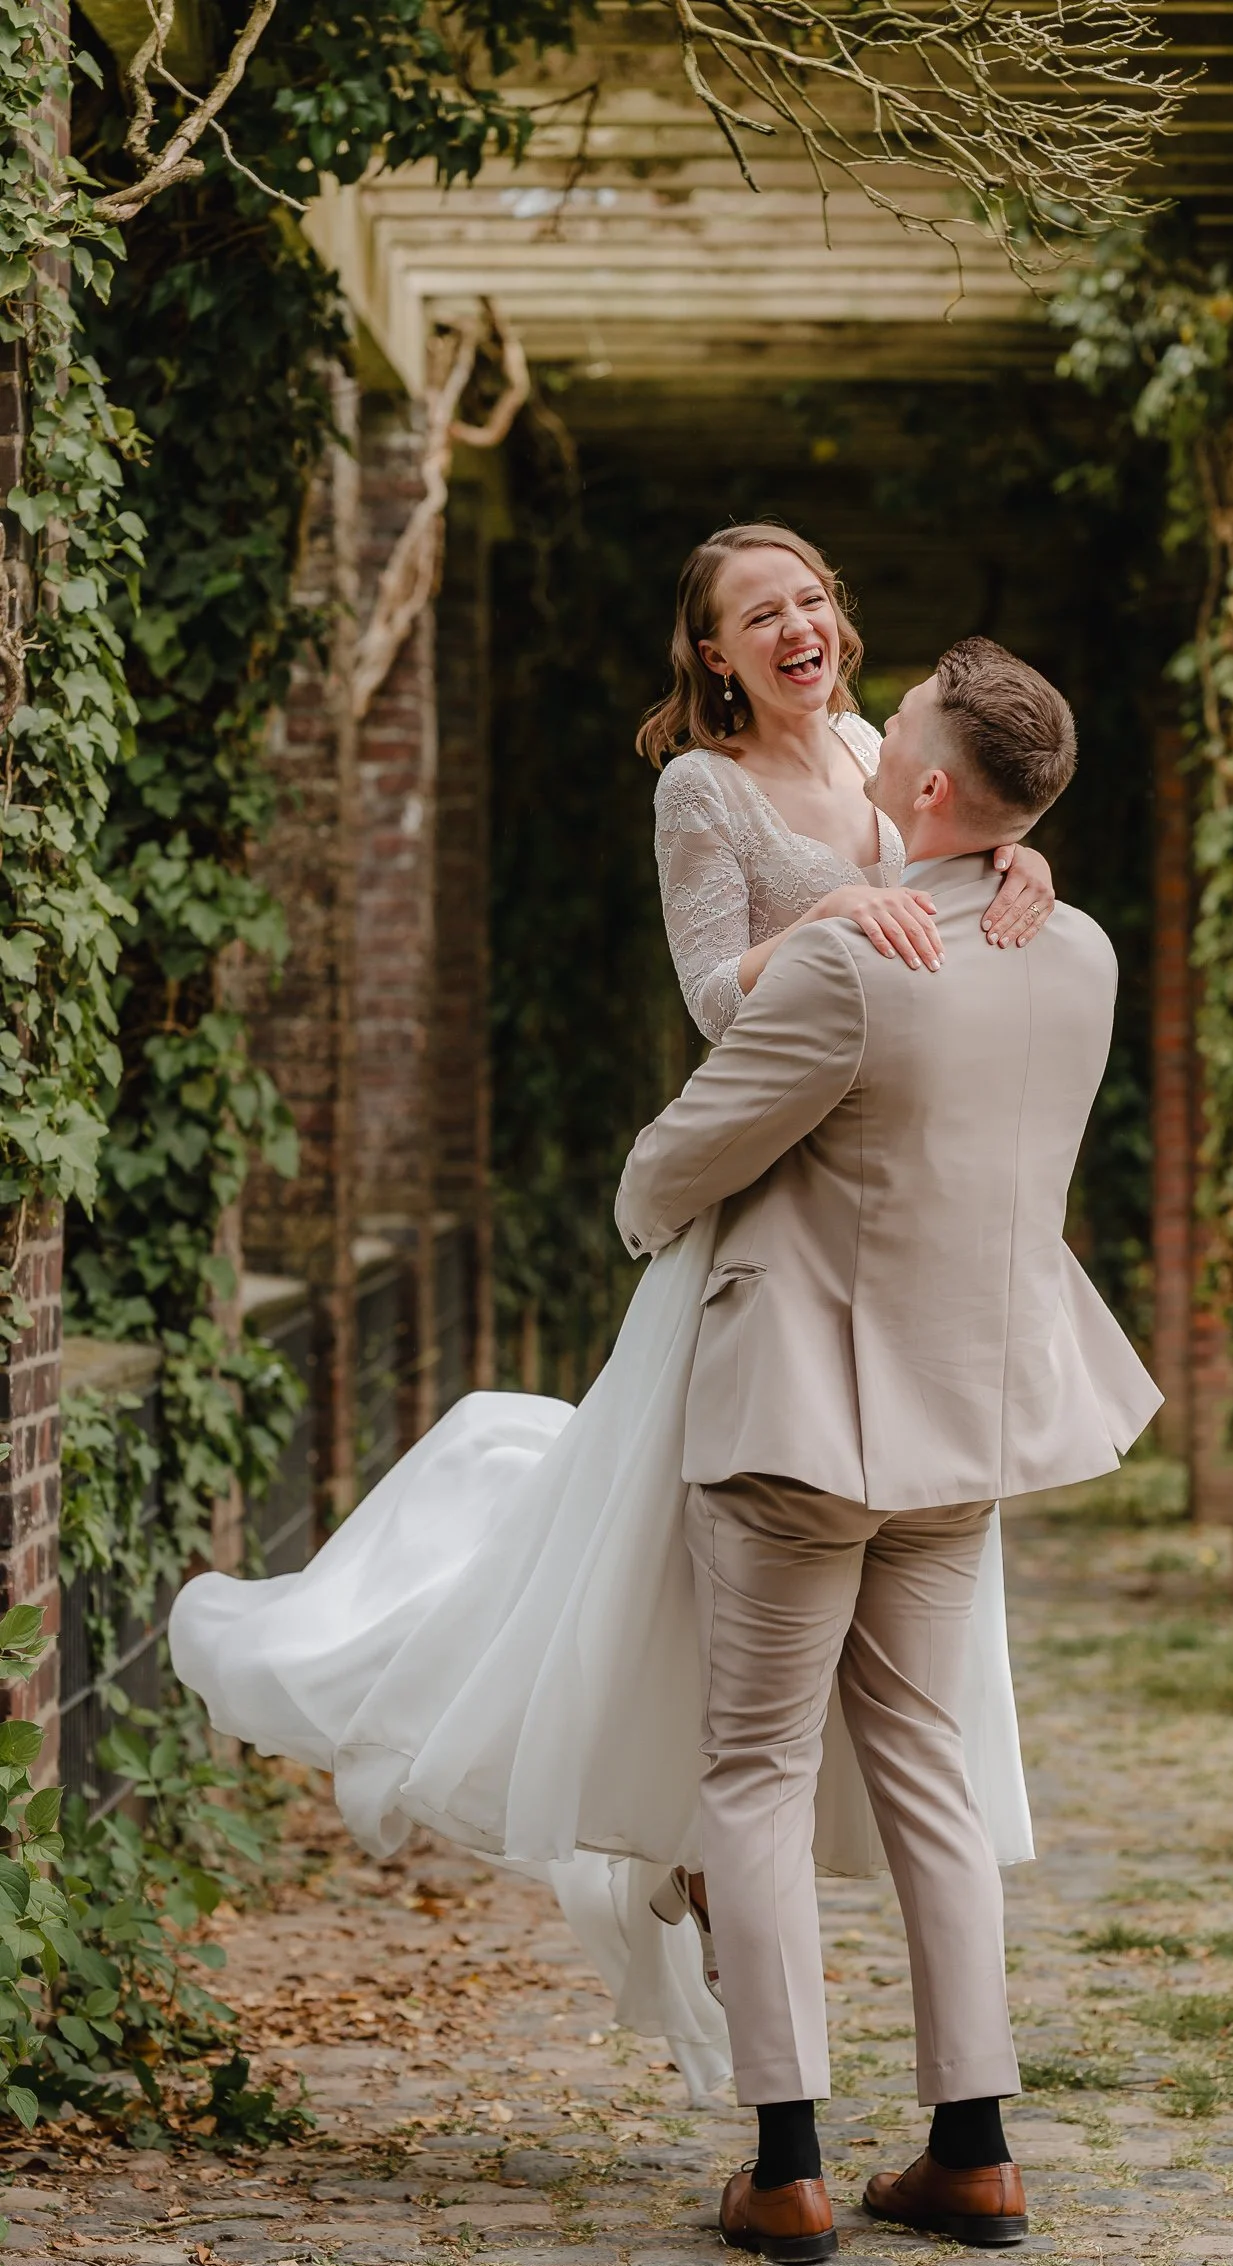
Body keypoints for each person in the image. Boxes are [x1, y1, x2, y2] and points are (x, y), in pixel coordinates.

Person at [166, 527, 1072, 2099]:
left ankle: (777, 2039)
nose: (800, 627)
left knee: (808, 1688)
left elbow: (957, 846)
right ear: (711, 654)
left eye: (811, 599)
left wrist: (1016, 862)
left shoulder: (885, 753)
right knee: (682, 1601)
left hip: (876, 1257)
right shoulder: (701, 793)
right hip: (763, 1232)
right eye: (757, 614)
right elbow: (718, 1000)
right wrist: (830, 923)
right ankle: (734, 1891)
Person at [614, 636, 1162, 2263]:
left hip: (798, 1424)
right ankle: (972, 2147)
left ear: (927, 783)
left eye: (900, 717)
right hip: (964, 1420)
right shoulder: (1077, 954)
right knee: (932, 1771)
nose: (873, 723)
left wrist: (641, 1206)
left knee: (755, 1775)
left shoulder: (856, 967)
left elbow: (687, 1151)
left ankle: (784, 2162)